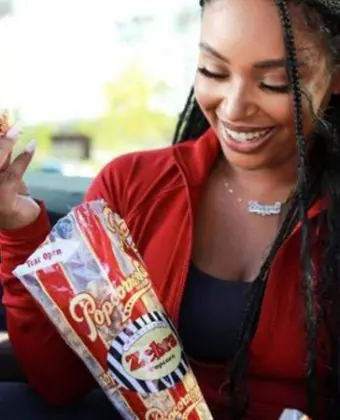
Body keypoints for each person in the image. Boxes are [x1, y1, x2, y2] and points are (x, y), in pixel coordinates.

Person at [0, 0, 340, 418]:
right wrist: (18, 227)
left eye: (274, 82)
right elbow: (62, 383)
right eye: (213, 71)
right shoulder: (133, 187)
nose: (233, 108)